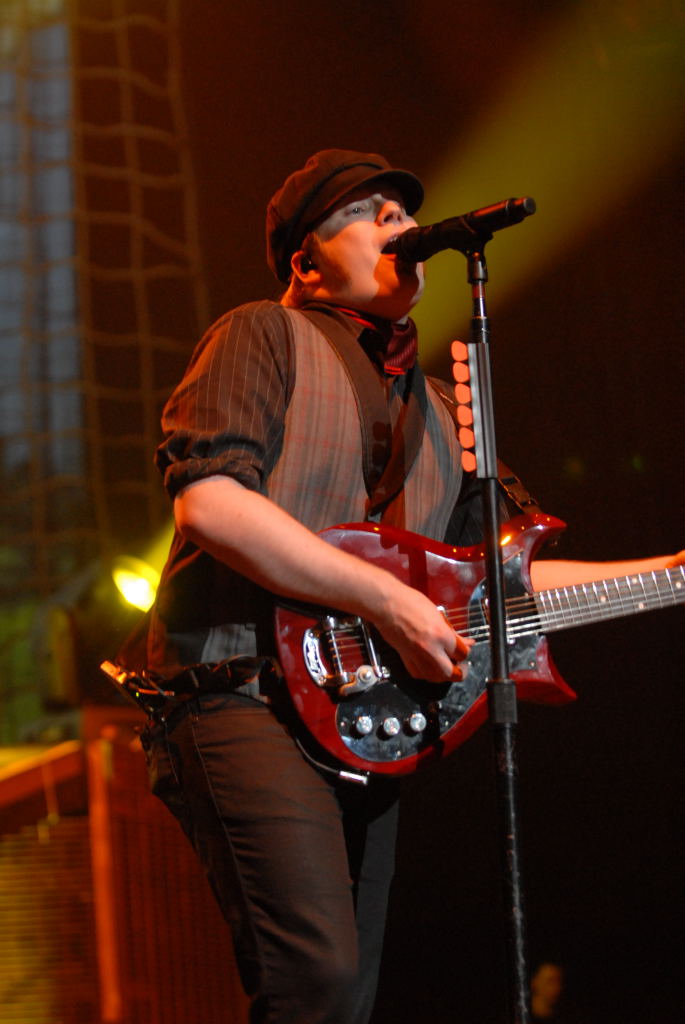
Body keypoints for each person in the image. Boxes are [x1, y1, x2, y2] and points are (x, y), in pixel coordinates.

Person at [135, 149, 683, 1024]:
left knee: (347, 1000)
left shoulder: (442, 410)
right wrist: (386, 600)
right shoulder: (259, 334)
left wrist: (671, 576)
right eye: (372, 213)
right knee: (313, 980)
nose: (402, 225)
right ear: (306, 262)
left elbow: (506, 579)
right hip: (237, 694)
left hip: (356, 721)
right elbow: (209, 503)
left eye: (405, 213)